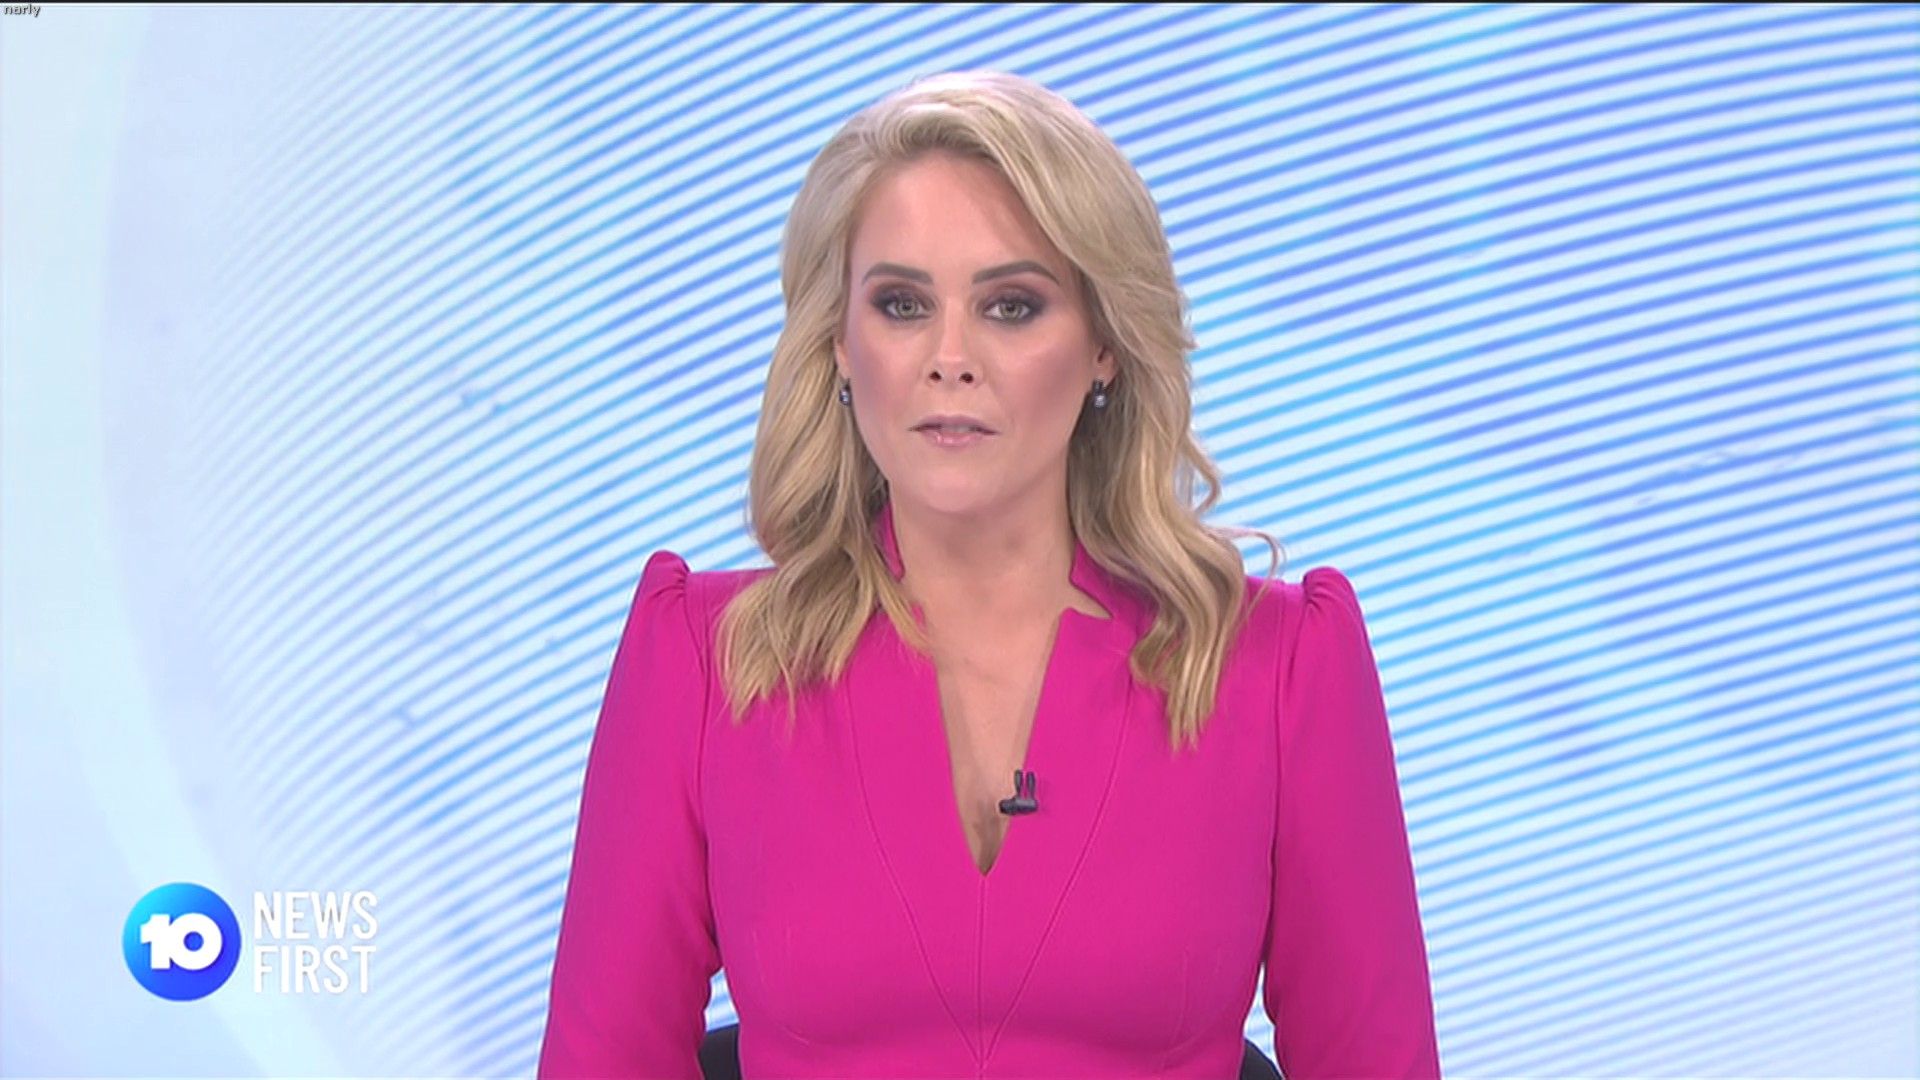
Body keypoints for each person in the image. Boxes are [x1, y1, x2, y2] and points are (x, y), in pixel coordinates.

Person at [536, 70, 1440, 1079]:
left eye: (1011, 306)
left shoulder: (1275, 669)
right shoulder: (705, 662)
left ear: (1104, 345)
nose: (950, 357)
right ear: (840, 343)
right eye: (902, 304)